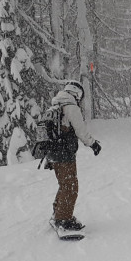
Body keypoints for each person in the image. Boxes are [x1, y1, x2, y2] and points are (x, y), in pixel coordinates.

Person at [47, 80, 101, 231]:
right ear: (77, 93)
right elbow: (81, 131)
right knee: (71, 186)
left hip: (54, 152)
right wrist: (93, 144)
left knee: (64, 184)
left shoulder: (56, 105)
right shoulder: (71, 107)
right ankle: (63, 219)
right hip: (64, 152)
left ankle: (58, 213)